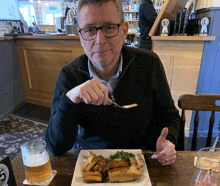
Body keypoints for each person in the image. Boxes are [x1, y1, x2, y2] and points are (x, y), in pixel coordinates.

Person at [45, 0, 181, 166]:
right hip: (91, 163)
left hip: (141, 162)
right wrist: (70, 99)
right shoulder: (69, 75)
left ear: (124, 31)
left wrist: (169, 142)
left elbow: (170, 116)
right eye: (89, 30)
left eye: (109, 27)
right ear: (80, 37)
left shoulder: (148, 64)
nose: (99, 40)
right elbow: (55, 147)